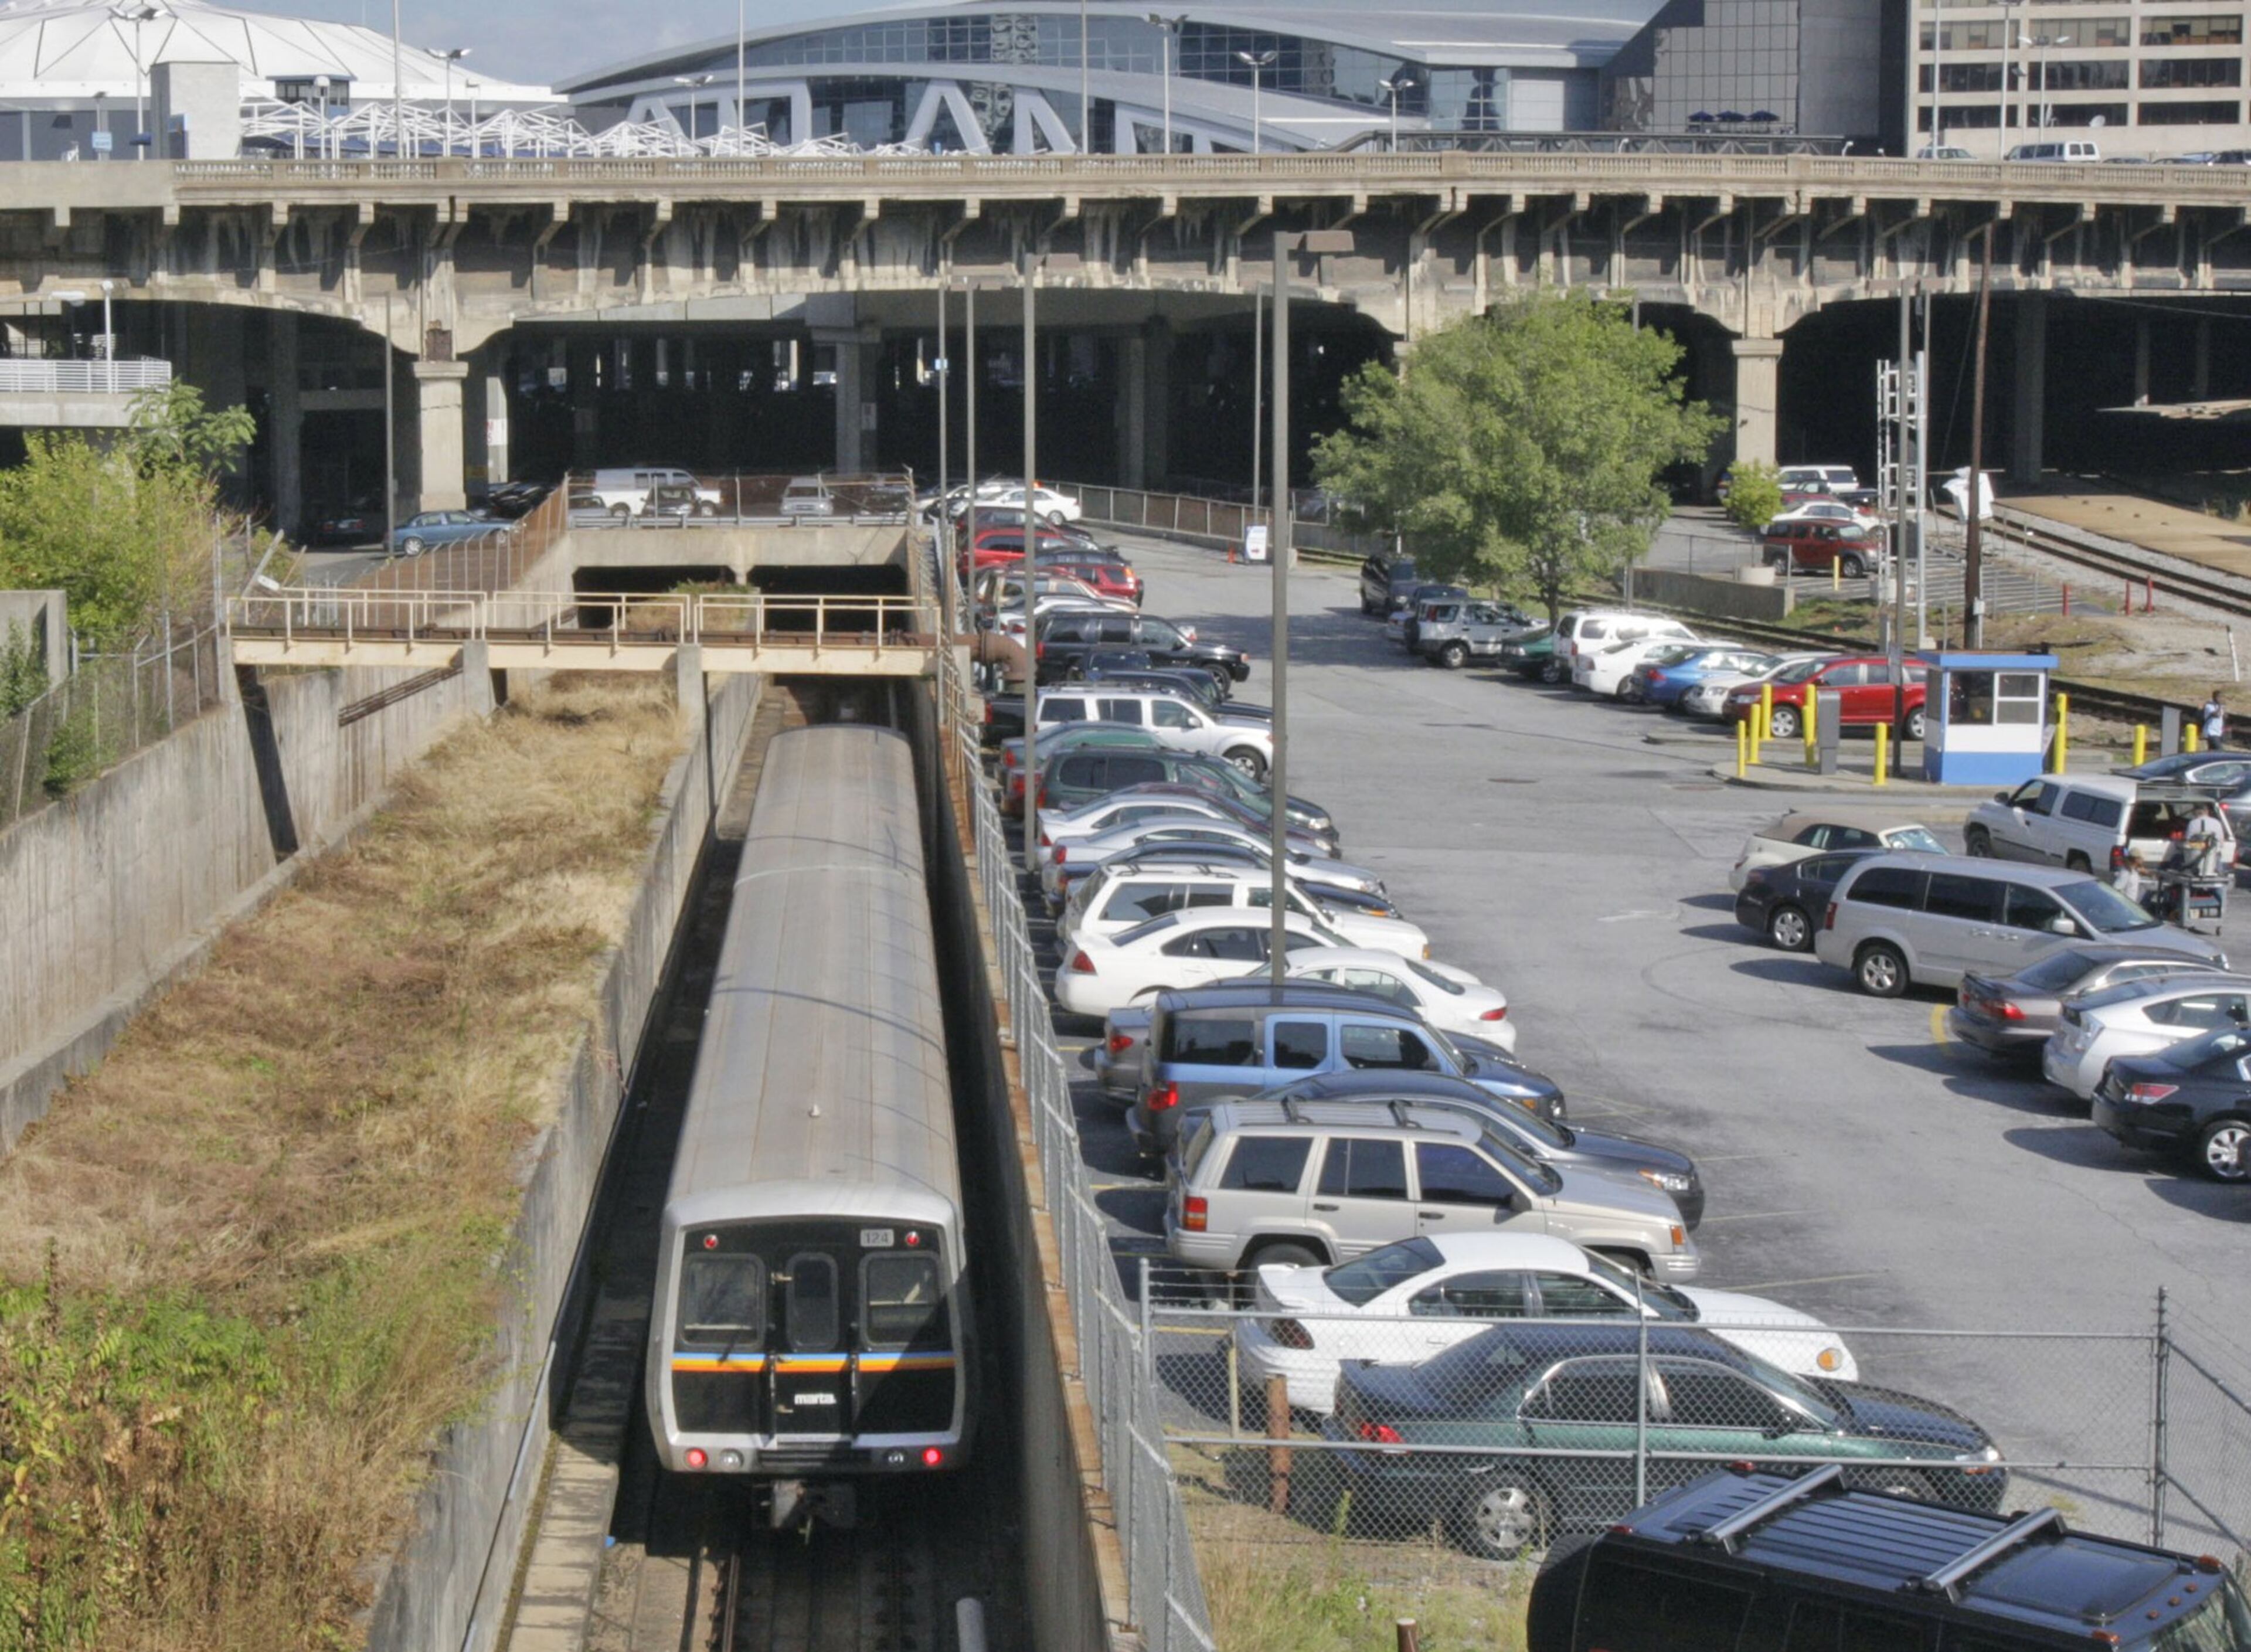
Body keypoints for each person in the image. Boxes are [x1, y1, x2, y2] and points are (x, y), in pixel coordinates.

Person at [2201, 688, 2228, 752]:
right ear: (2214, 697)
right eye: (2219, 697)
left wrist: (2224, 712)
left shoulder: (2220, 707)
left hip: (2218, 732)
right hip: (2211, 732)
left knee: (2212, 752)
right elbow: (2216, 715)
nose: (2220, 699)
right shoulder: (2209, 706)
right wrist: (2220, 706)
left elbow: (2224, 717)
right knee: (2221, 751)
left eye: (2221, 697)